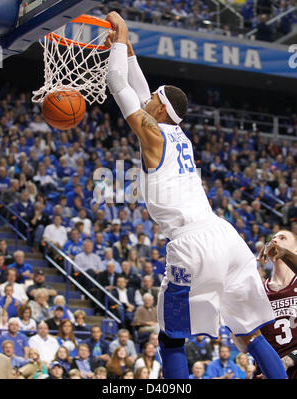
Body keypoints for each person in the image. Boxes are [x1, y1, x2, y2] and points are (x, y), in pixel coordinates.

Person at [104, 11, 287, 379]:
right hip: (226, 237)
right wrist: (127, 47)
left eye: (153, 98)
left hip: (192, 245)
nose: (148, 98)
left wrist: (121, 35)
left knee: (171, 341)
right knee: (249, 334)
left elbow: (117, 82)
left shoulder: (153, 134)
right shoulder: (176, 133)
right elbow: (141, 88)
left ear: (158, 109)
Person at [256, 230, 297, 378]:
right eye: (273, 238)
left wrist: (289, 359)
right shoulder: (258, 290)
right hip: (269, 372)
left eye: (282, 238)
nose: (275, 240)